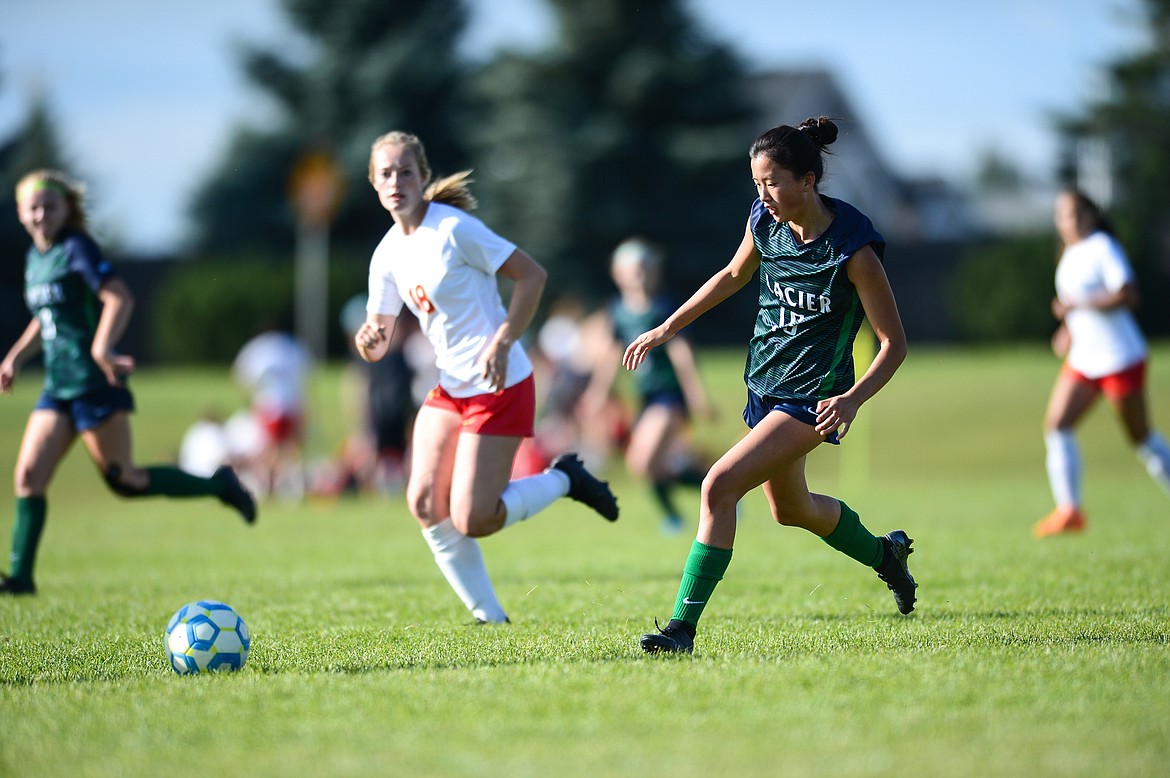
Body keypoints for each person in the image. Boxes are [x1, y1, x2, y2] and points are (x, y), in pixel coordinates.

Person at [623, 118, 916, 654]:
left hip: (813, 398)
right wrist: (667, 326)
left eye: (773, 182)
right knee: (792, 510)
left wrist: (852, 398)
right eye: (756, 183)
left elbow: (893, 343)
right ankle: (885, 555)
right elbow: (734, 276)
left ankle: (681, 630)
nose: (763, 195)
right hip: (764, 386)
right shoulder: (764, 219)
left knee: (718, 485)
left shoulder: (853, 251)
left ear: (808, 180)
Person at [353, 131, 619, 624]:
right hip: (451, 387)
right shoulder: (386, 253)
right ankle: (489, 617)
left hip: (501, 384)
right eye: (386, 173)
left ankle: (565, 478)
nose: (396, 181)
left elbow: (532, 275)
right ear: (373, 182)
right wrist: (367, 338)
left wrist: (501, 341)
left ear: (424, 176)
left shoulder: (454, 229)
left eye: (406, 171)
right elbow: (378, 342)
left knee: (474, 519)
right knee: (423, 502)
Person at [0, 169, 256, 596]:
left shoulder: (75, 247)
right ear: (21, 214)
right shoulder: (35, 259)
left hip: (94, 383)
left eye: (51, 205)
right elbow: (44, 317)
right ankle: (21, 579)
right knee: (27, 476)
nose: (42, 213)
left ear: (66, 209)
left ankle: (219, 485)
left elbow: (118, 295)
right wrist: (13, 357)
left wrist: (102, 348)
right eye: (33, 207)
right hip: (57, 387)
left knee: (126, 480)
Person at [1032, 188, 1170, 537]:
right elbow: (1077, 307)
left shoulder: (1103, 248)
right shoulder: (1068, 254)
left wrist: (1077, 306)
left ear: (1092, 215)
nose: (1070, 220)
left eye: (1077, 213)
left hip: (1120, 358)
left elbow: (1127, 294)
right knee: (1057, 425)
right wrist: (1068, 330)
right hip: (1085, 359)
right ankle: (1070, 511)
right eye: (1063, 215)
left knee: (1141, 438)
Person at [584, 237, 713, 534]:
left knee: (645, 460)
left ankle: (677, 516)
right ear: (618, 274)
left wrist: (696, 396)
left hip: (670, 397)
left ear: (653, 271)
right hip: (644, 398)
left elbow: (683, 355)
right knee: (643, 467)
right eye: (631, 268)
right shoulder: (617, 311)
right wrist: (597, 393)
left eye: (644, 267)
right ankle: (706, 492)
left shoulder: (664, 307)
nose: (638, 273)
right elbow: (611, 355)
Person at [231, 329, 312, 500]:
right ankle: (279, 483)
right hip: (290, 406)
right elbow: (305, 379)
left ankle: (271, 483)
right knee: (285, 449)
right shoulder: (293, 347)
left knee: (270, 449)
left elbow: (239, 377)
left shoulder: (256, 348)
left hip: (267, 407)